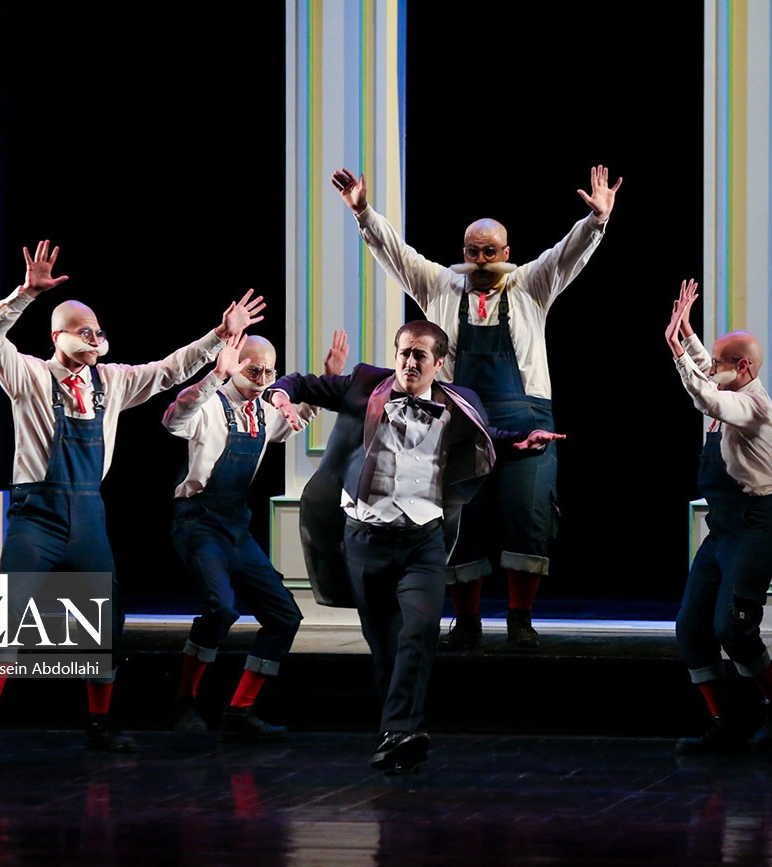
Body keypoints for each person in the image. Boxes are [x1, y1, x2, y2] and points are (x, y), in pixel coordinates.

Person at [0, 239, 265, 750]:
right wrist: (26, 293)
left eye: (99, 331)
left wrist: (219, 335)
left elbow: (169, 369)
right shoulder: (29, 375)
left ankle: (101, 724)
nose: (95, 338)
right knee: (7, 607)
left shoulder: (113, 382)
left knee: (105, 616)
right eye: (84, 331)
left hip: (87, 513)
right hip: (37, 514)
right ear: (58, 336)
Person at [330, 165, 621, 650]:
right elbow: (394, 253)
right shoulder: (439, 285)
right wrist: (363, 212)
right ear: (463, 252)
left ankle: (520, 619)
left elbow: (567, 255)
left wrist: (596, 222)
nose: (482, 260)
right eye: (473, 251)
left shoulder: (530, 285)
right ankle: (466, 622)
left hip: (525, 416)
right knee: (458, 517)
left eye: (490, 251)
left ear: (506, 253)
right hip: (456, 420)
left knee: (529, 517)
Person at [265, 320, 565, 773]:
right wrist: (281, 395)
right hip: (364, 538)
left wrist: (521, 444)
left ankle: (402, 729)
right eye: (404, 352)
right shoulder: (364, 384)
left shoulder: (460, 401)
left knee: (419, 630)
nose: (409, 362)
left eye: (419, 355)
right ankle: (397, 733)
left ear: (438, 362)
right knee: (386, 645)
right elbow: (299, 382)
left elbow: (490, 435)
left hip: (422, 540)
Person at [165, 329, 349, 742]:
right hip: (198, 521)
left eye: (269, 372)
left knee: (285, 617)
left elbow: (291, 423)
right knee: (220, 608)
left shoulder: (265, 412)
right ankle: (183, 703)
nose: (263, 379)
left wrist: (327, 381)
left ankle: (240, 710)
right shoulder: (210, 406)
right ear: (235, 366)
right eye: (253, 371)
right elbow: (174, 418)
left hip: (236, 525)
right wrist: (214, 376)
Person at [663, 279, 772, 753]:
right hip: (722, 528)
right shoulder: (730, 380)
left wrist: (676, 353)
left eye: (719, 363)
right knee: (691, 628)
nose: (709, 368)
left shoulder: (753, 406)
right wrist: (686, 334)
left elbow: (707, 396)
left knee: (733, 628)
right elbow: (708, 370)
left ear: (743, 368)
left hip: (756, 526)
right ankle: (725, 721)